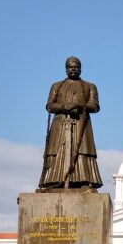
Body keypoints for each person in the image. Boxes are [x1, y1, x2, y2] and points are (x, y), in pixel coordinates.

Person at [38, 56, 103, 190]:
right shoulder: (56, 86)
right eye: (70, 67)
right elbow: (49, 106)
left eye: (76, 67)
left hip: (81, 124)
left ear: (80, 69)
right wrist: (64, 107)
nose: (73, 69)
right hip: (60, 124)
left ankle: (85, 180)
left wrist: (79, 105)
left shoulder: (89, 86)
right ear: (66, 69)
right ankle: (55, 180)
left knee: (82, 151)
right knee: (57, 150)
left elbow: (95, 106)